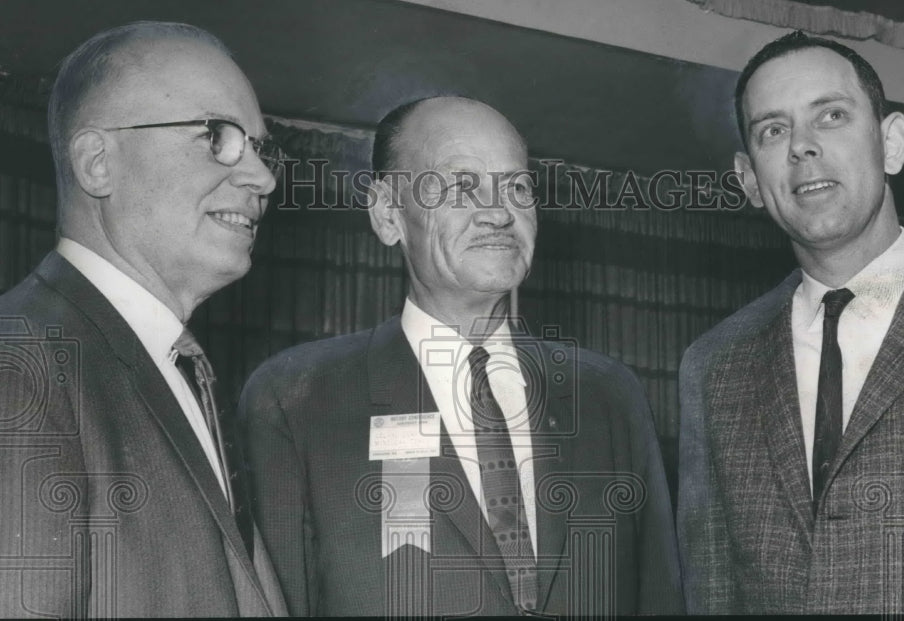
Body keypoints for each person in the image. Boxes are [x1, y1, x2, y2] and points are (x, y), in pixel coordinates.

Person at [240, 95, 684, 616]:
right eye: (461, 186)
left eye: (517, 186)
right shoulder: (295, 399)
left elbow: (659, 596)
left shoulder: (609, 396)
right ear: (388, 215)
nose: (499, 212)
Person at [678, 30, 904, 614]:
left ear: (891, 143)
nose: (802, 146)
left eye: (830, 115)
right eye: (774, 130)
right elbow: (712, 590)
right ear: (750, 178)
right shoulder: (715, 366)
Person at [0, 21, 287, 617]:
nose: (263, 179)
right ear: (98, 163)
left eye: (261, 148)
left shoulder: (173, 369)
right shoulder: (18, 367)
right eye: (218, 137)